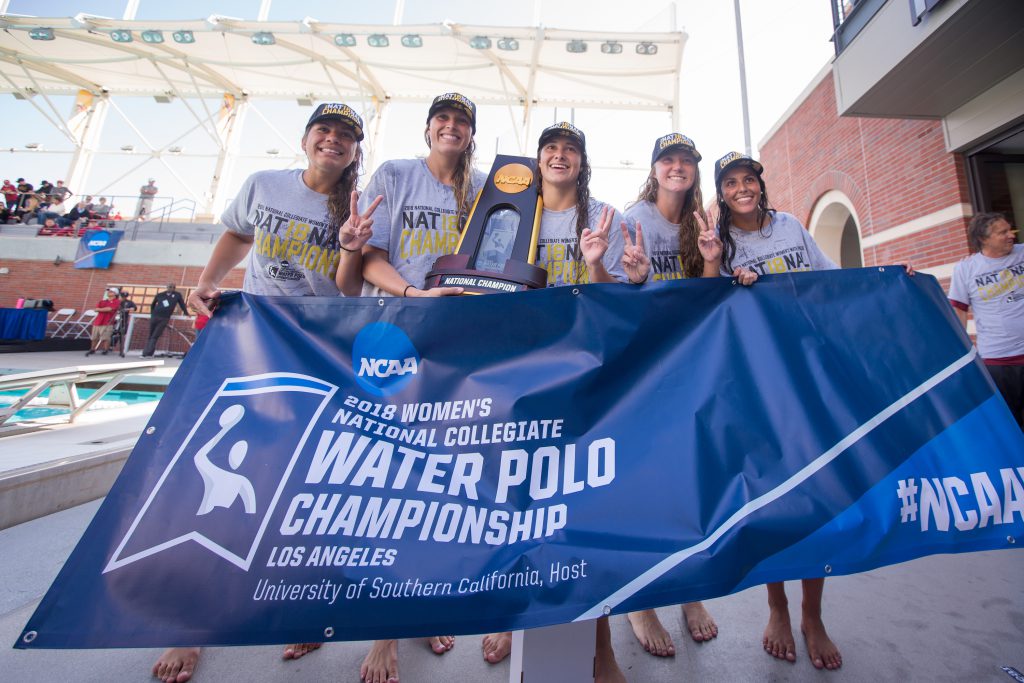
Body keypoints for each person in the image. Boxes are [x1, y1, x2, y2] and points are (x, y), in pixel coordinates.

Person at [161, 101, 367, 683]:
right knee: (221, 477)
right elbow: (235, 234)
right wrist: (207, 281)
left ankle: (301, 603)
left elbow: (351, 288)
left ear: (355, 149)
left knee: (311, 481)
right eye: (324, 130)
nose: (333, 140)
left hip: (321, 347)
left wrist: (351, 245)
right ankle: (194, 620)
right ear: (306, 139)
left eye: (346, 136)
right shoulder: (263, 185)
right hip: (256, 339)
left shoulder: (354, 202)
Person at [477, 122, 647, 683]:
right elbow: (484, 285)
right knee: (517, 508)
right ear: (538, 157)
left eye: (569, 149)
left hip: (586, 379)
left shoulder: (604, 216)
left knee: (585, 514)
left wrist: (596, 262)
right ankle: (511, 615)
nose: (558, 156)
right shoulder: (507, 207)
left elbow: (618, 299)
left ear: (582, 162)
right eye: (550, 148)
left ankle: (602, 648)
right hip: (521, 377)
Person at [334, 92, 484, 683]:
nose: (451, 127)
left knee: (439, 482)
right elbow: (370, 259)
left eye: (462, 121)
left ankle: (419, 604)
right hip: (393, 334)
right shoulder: (396, 174)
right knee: (382, 480)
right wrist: (416, 296)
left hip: (452, 345)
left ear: (471, 135)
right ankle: (381, 630)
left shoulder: (478, 190)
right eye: (442, 119)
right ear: (428, 129)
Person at [619, 133, 746, 659]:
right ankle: (641, 603)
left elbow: (707, 298)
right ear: (654, 169)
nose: (678, 167)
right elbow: (611, 296)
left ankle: (690, 591)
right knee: (644, 485)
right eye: (668, 160)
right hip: (645, 370)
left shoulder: (704, 224)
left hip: (692, 367)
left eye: (686, 161)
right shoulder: (633, 217)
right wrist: (637, 281)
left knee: (693, 480)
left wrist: (715, 261)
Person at [949, 213, 1023, 428]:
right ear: (983, 238)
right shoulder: (966, 269)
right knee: (1010, 423)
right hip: (998, 361)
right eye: (1003, 232)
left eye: (1010, 230)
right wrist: (961, 354)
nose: (1011, 235)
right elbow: (959, 311)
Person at [141, 283, 188, 357]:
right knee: (151, 334)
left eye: (173, 287)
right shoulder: (160, 295)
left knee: (155, 335)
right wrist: (152, 314)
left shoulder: (177, 295)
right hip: (155, 316)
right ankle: (148, 352)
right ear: (167, 287)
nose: (171, 288)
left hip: (164, 318)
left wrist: (186, 313)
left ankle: (146, 353)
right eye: (170, 287)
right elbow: (152, 305)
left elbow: (182, 304)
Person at [85, 288, 119, 356]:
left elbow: (110, 309)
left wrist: (101, 309)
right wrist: (104, 309)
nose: (109, 292)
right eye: (108, 291)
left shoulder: (117, 301)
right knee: (94, 337)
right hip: (98, 321)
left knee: (106, 337)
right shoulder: (102, 301)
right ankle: (92, 349)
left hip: (108, 322)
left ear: (115, 293)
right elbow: (96, 309)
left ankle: (105, 350)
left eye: (111, 291)